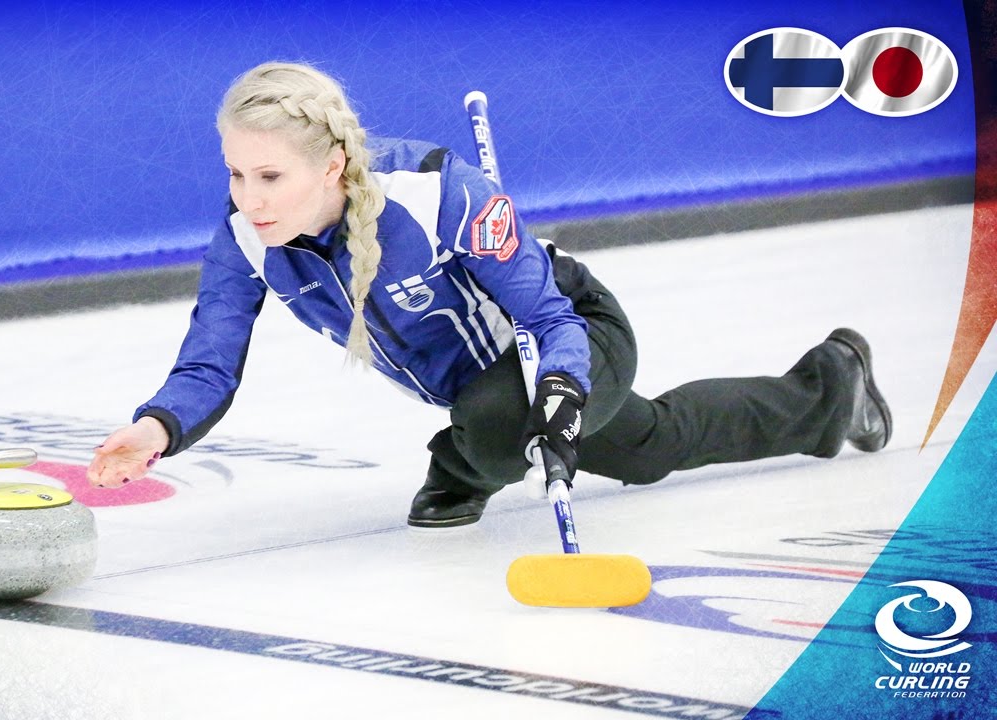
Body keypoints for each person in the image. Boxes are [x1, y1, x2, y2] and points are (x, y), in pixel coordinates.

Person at [85, 61, 892, 528]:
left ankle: (466, 465)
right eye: (235, 172)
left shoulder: (434, 192)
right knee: (651, 450)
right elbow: (209, 365)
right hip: (484, 389)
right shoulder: (242, 238)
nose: (248, 196)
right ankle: (830, 387)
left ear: (330, 166)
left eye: (269, 176)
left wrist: (564, 391)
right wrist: (156, 429)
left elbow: (547, 315)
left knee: (506, 420)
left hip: (573, 335)